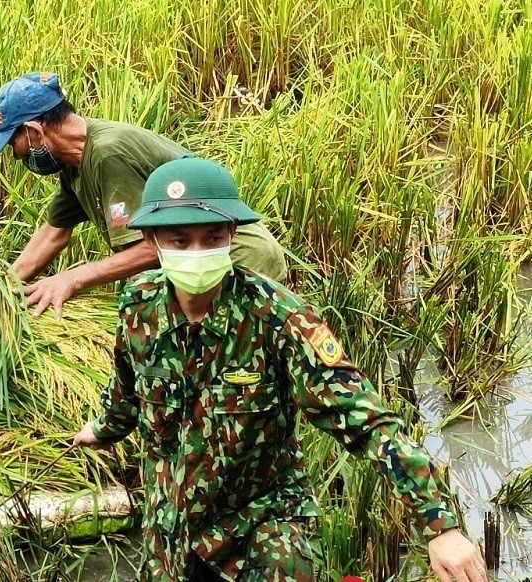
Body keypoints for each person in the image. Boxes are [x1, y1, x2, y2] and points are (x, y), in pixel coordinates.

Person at [71, 157, 486, 581]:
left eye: (212, 238)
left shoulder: (276, 317)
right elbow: (126, 381)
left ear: (231, 234)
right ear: (152, 239)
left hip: (262, 521)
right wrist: (104, 428)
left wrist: (440, 525)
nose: (197, 253)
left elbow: (364, 416)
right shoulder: (138, 304)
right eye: (180, 241)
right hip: (170, 524)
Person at [0, 72, 286, 319]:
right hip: (188, 264)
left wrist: (70, 279)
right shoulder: (74, 162)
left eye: (12, 144)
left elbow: (153, 247)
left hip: (229, 256)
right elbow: (53, 234)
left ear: (35, 130)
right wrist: (6, 282)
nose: (16, 155)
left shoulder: (107, 152)